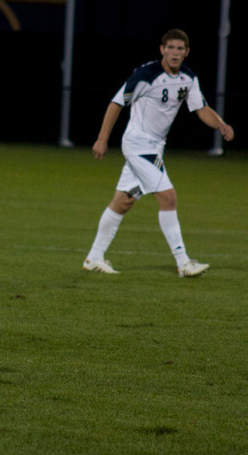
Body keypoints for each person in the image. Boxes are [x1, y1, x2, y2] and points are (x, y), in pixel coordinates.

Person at [83, 28, 234, 277]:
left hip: (154, 147)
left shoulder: (188, 77)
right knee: (168, 196)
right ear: (162, 49)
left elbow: (200, 108)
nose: (175, 53)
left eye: (179, 49)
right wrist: (102, 138)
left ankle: (94, 257)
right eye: (170, 48)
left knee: (123, 202)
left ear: (186, 52)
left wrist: (221, 124)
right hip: (138, 145)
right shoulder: (146, 75)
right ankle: (184, 262)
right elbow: (116, 103)